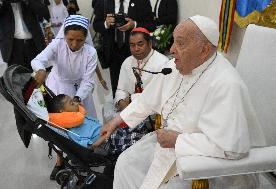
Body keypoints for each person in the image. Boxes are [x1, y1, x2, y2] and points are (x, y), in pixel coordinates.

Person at [100, 15, 266, 188]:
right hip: (169, 144)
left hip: (207, 162)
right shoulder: (174, 67)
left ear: (204, 50)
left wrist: (178, 140)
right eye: (173, 41)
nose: (171, 49)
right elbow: (147, 100)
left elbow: (231, 148)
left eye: (180, 43)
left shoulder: (226, 84)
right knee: (126, 163)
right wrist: (116, 121)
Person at [106, 27, 169, 155]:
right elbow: (121, 89)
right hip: (129, 109)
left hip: (151, 116)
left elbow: (157, 97)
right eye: (132, 45)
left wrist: (131, 101)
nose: (136, 49)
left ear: (150, 44)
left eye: (140, 44)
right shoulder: (127, 62)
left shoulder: (162, 63)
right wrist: (121, 102)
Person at [32, 15, 98, 119]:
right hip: (59, 87)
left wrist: (77, 98)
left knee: (84, 120)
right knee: (61, 121)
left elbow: (88, 81)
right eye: (70, 39)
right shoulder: (57, 45)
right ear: (64, 35)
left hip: (82, 90)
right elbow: (38, 60)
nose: (74, 44)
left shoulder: (91, 53)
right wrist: (41, 70)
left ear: (86, 38)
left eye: (80, 40)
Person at [93, 0, 155, 97]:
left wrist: (134, 24)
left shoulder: (142, 1)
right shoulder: (104, 2)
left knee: (137, 85)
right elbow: (96, 25)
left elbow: (151, 24)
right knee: (117, 87)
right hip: (113, 51)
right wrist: (106, 23)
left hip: (135, 52)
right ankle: (119, 108)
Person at [0, 0, 50, 70]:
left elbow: (45, 13)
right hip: (12, 48)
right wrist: (0, 1)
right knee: (18, 78)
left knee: (38, 77)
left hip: (34, 44)